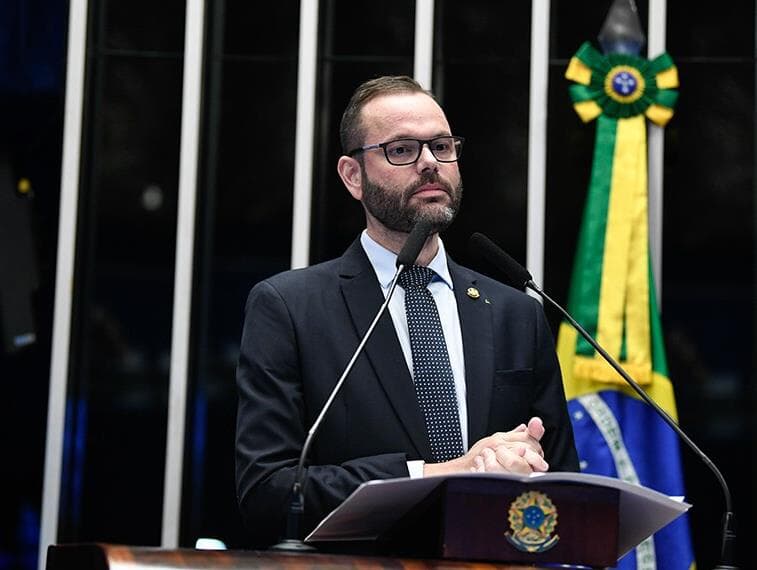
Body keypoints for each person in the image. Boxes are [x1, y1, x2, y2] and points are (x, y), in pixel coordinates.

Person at [235, 75, 579, 547]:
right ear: (353, 176)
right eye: (401, 150)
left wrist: (527, 467)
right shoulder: (290, 308)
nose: (430, 163)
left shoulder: (515, 312)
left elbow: (562, 490)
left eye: (441, 146)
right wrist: (439, 473)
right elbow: (268, 493)